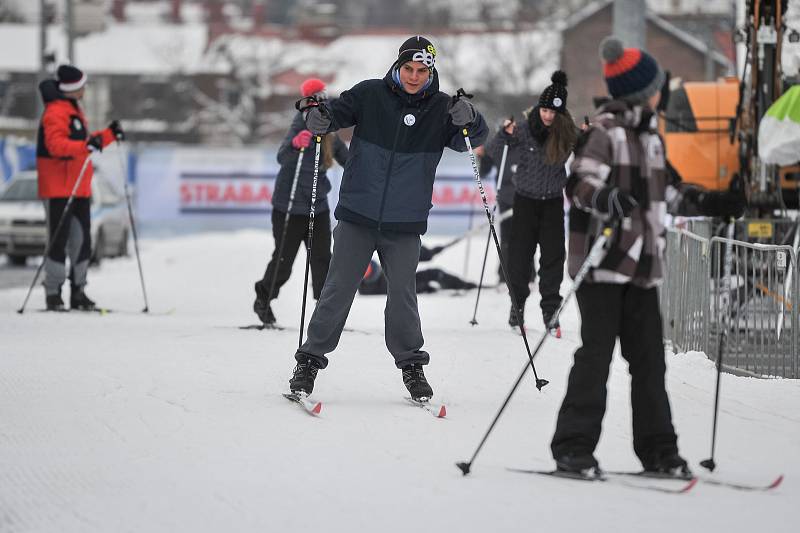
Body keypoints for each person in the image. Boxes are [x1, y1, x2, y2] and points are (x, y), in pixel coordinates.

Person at [550, 37, 744, 476]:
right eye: (658, 86)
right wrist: (608, 198)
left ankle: (659, 451)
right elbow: (579, 185)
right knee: (595, 358)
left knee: (650, 364)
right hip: (603, 266)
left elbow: (671, 193)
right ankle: (572, 448)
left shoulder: (651, 139)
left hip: (641, 269)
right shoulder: (604, 132)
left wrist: (713, 203)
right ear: (643, 91)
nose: (663, 92)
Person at [287, 35, 488, 400]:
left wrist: (470, 118)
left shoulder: (442, 108)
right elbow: (334, 113)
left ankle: (412, 366)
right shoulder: (369, 94)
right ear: (398, 66)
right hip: (358, 215)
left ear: (431, 71)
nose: (414, 76)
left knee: (403, 296)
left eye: (421, 70)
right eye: (408, 68)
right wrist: (319, 117)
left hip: (405, 222)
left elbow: (469, 138)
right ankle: (309, 362)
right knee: (337, 290)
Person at [487, 71, 578, 333]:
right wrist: (503, 135)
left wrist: (588, 134)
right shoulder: (524, 130)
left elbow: (586, 148)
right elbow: (494, 152)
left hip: (551, 204)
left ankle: (551, 311)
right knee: (519, 260)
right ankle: (517, 310)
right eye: (545, 110)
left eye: (553, 112)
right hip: (524, 201)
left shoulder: (566, 133)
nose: (548, 116)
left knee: (552, 260)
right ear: (539, 107)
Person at [253, 78, 349, 325]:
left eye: (322, 98)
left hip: (317, 207)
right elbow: (281, 157)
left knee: (322, 260)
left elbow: (346, 160)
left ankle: (324, 310)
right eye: (314, 99)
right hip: (289, 206)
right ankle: (263, 297)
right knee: (284, 260)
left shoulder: (330, 130)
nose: (319, 105)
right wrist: (296, 145)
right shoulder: (300, 126)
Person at [36, 64, 121, 311]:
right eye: (82, 85)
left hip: (79, 187)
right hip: (58, 188)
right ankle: (53, 292)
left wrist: (108, 135)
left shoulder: (73, 110)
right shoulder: (55, 112)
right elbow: (57, 146)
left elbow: (84, 144)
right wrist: (87, 145)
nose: (85, 89)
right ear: (73, 89)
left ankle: (78, 290)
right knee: (58, 242)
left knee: (82, 242)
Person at [358, 244, 477, 295]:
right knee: (435, 274)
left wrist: (429, 253)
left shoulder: (368, 281)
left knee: (434, 273)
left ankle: (461, 285)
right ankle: (462, 285)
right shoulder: (373, 285)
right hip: (401, 280)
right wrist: (425, 287)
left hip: (397, 276)